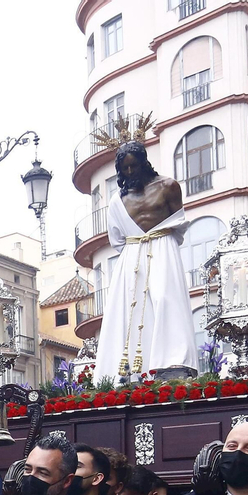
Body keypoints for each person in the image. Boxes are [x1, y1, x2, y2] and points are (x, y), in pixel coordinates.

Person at [83, 138, 194, 383]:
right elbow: (116, 239)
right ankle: (129, 369)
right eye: (125, 168)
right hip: (132, 256)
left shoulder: (169, 186)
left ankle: (172, 361)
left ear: (144, 163)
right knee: (128, 309)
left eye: (134, 166)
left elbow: (178, 224)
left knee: (165, 298)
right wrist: (137, 250)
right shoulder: (117, 201)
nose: (130, 172)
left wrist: (158, 243)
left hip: (163, 248)